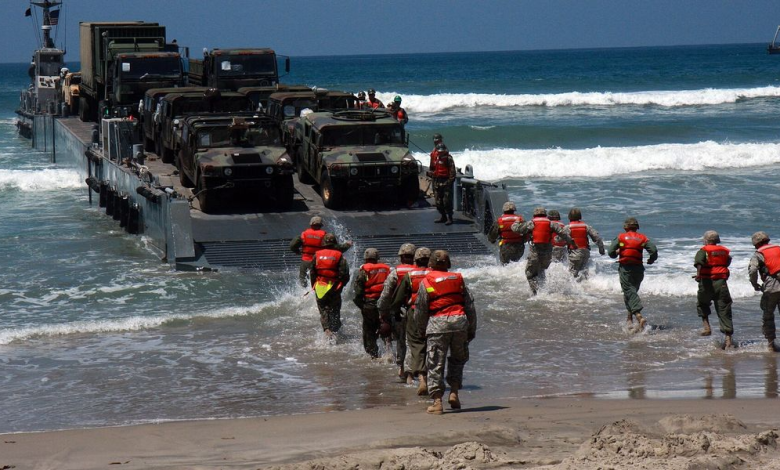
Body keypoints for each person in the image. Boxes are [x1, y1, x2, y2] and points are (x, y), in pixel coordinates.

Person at [414, 250, 477, 414]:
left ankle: (437, 402)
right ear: (448, 264)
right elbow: (470, 306)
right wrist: (471, 329)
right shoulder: (459, 279)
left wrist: (421, 331)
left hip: (438, 325)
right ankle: (454, 393)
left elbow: (421, 309)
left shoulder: (427, 282)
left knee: (435, 364)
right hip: (460, 323)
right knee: (457, 360)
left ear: (431, 264)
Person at [389, 247, 432, 395]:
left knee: (414, 343)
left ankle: (416, 377)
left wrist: (393, 313)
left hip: (414, 312)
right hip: (434, 313)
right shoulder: (436, 274)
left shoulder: (409, 275)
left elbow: (397, 297)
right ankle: (433, 379)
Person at [607, 217, 658, 333]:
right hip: (639, 270)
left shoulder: (620, 237)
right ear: (637, 227)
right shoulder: (643, 238)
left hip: (626, 269)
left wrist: (617, 252)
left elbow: (610, 252)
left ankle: (639, 316)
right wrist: (651, 260)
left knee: (629, 291)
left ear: (625, 227)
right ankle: (629, 319)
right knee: (631, 292)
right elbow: (653, 250)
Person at [511, 207, 573, 295]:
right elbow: (564, 234)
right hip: (547, 255)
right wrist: (572, 243)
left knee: (530, 274)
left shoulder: (531, 223)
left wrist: (517, 221)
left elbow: (516, 229)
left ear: (534, 215)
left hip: (535, 253)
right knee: (541, 271)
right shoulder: (551, 224)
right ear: (545, 215)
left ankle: (536, 293)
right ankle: (543, 290)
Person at [377, 243, 417, 381]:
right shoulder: (421, 271)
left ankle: (401, 368)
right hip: (416, 312)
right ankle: (412, 371)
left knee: (401, 340)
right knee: (412, 341)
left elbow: (386, 294)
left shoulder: (395, 272)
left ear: (401, 257)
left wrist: (382, 311)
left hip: (400, 312)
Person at [694, 230, 734, 348]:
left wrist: (698, 275)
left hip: (706, 282)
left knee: (702, 303)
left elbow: (699, 263)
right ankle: (728, 340)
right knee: (724, 308)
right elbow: (728, 261)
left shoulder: (703, 251)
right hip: (721, 283)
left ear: (706, 240)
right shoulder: (724, 251)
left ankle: (707, 327)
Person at [310, 233, 350, 340]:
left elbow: (312, 272)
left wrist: (313, 285)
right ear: (334, 243)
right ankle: (335, 332)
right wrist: (341, 286)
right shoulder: (338, 255)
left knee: (323, 310)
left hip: (320, 286)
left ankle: (327, 330)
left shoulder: (317, 254)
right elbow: (344, 273)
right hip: (334, 287)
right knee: (335, 310)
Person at [290, 217, 351, 287]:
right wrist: (347, 245)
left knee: (303, 282)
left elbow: (292, 245)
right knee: (319, 281)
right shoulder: (324, 236)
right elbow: (336, 248)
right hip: (319, 262)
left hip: (305, 262)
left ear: (310, 224)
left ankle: (303, 294)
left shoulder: (304, 234)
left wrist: (297, 251)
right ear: (321, 225)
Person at [354, 248, 392, 358]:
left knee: (369, 331)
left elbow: (358, 291)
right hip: (385, 304)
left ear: (366, 258)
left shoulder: (364, 270)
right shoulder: (387, 269)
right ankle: (389, 353)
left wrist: (361, 305)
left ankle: (374, 356)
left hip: (369, 305)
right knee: (386, 327)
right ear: (377, 258)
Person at [748, 231, 780, 352]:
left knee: (768, 315)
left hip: (771, 287)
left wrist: (754, 284)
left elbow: (752, 270)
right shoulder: (778, 248)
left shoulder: (758, 254)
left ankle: (771, 344)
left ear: (756, 244)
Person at [566, 208, 606, 279]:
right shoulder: (586, 226)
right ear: (580, 216)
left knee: (572, 275)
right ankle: (585, 288)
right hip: (585, 253)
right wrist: (601, 250)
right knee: (584, 273)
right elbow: (597, 238)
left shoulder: (568, 227)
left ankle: (573, 289)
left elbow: (558, 239)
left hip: (575, 253)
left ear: (569, 217)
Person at [427, 143, 456, 225]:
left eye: (441, 151)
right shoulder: (436, 158)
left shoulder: (448, 158)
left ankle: (450, 218)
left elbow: (452, 172)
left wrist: (449, 183)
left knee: (446, 201)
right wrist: (431, 173)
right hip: (437, 181)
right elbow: (434, 170)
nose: (440, 153)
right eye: (439, 151)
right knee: (438, 202)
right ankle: (443, 216)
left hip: (446, 182)